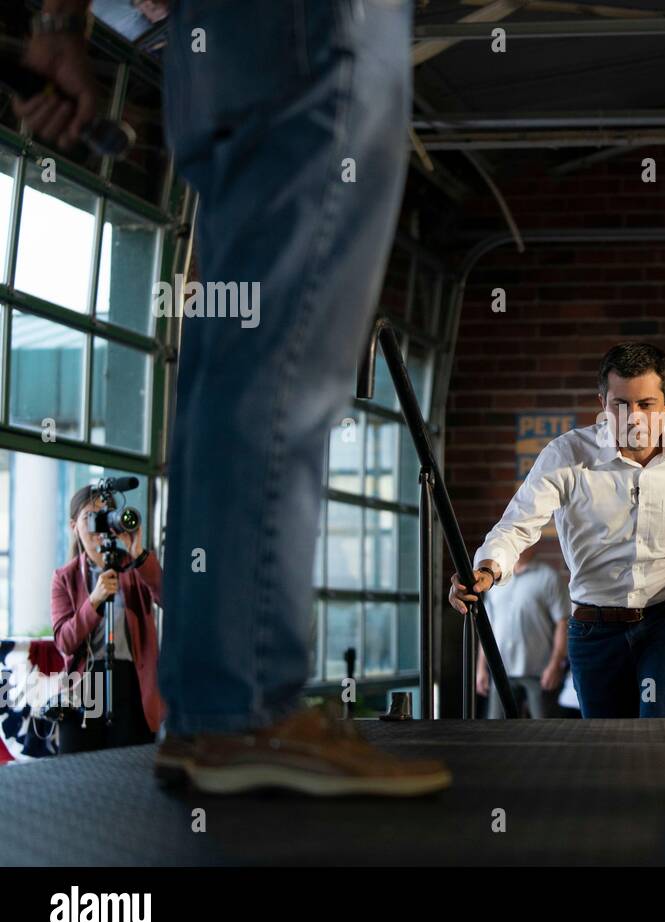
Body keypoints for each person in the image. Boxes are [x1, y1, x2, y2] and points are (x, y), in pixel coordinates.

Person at [17, 0, 452, 795]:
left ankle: (220, 712)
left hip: (230, 43)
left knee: (242, 344)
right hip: (310, 31)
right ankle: (244, 709)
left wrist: (59, 22)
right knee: (290, 351)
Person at [450, 343, 665, 718]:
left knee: (660, 736)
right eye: (620, 404)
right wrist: (487, 569)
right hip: (594, 629)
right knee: (607, 749)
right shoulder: (566, 455)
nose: (633, 417)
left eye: (646, 404)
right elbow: (517, 525)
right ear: (602, 402)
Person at [51, 485, 162, 752]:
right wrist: (94, 601)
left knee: (128, 778)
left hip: (132, 683)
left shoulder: (135, 567)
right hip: (85, 687)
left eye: (105, 516)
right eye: (91, 518)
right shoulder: (64, 578)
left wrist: (138, 554)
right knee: (76, 777)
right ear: (73, 526)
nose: (99, 526)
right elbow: (64, 642)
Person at [475, 546, 569, 719]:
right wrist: (481, 668)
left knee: (545, 734)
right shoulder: (495, 582)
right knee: (497, 733)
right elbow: (488, 628)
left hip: (539, 673)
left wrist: (556, 664)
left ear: (534, 544)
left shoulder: (549, 578)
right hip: (500, 672)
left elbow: (562, 623)